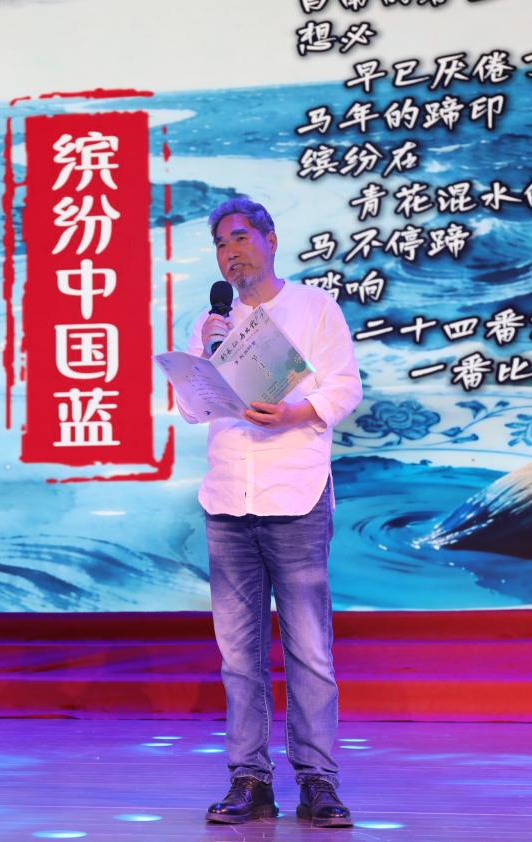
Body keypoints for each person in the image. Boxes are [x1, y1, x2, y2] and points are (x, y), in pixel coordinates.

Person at [182, 198, 362, 827]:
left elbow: (345, 387)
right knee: (238, 654)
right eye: (220, 244)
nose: (230, 253)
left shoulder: (314, 307)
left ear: (270, 240)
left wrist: (293, 413)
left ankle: (318, 781)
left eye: (240, 238)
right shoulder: (212, 321)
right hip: (228, 497)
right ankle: (250, 779)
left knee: (309, 649)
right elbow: (192, 408)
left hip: (296, 494)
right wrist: (206, 359)